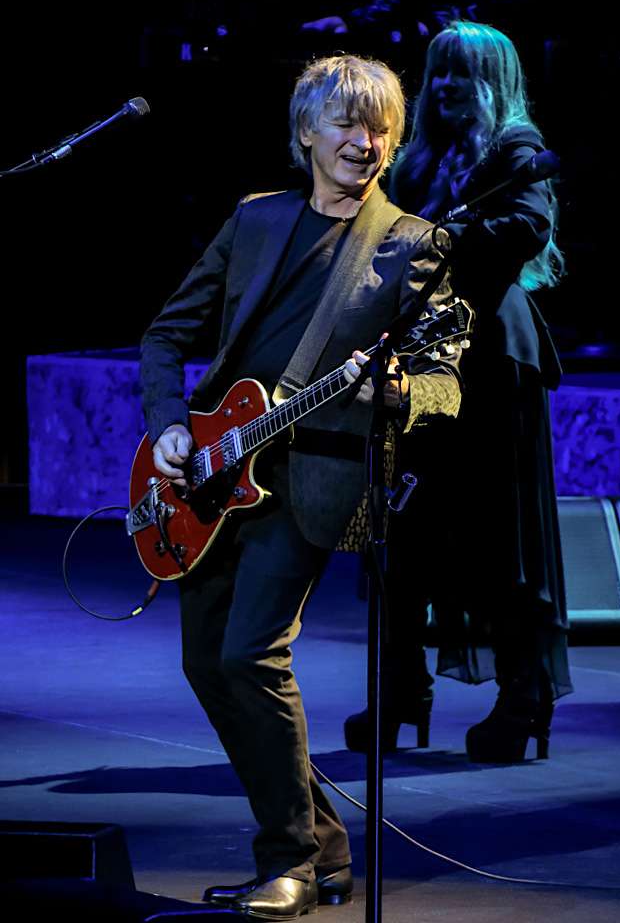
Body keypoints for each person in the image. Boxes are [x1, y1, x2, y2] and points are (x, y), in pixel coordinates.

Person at [140, 54, 462, 920]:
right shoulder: (256, 220)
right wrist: (169, 423)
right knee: (207, 664)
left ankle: (285, 860)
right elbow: (166, 335)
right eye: (347, 124)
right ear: (306, 133)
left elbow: (447, 383)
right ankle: (322, 848)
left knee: (250, 655)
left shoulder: (411, 245)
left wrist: (398, 392)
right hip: (215, 470)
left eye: (381, 128)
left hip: (316, 480)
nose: (365, 142)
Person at [344, 21, 573, 763]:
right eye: (437, 71)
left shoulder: (515, 147)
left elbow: (527, 227)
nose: (444, 86)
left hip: (490, 365)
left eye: (461, 73)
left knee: (495, 539)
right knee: (401, 529)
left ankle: (522, 699)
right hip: (418, 366)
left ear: (493, 82)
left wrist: (436, 239)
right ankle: (400, 690)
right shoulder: (415, 159)